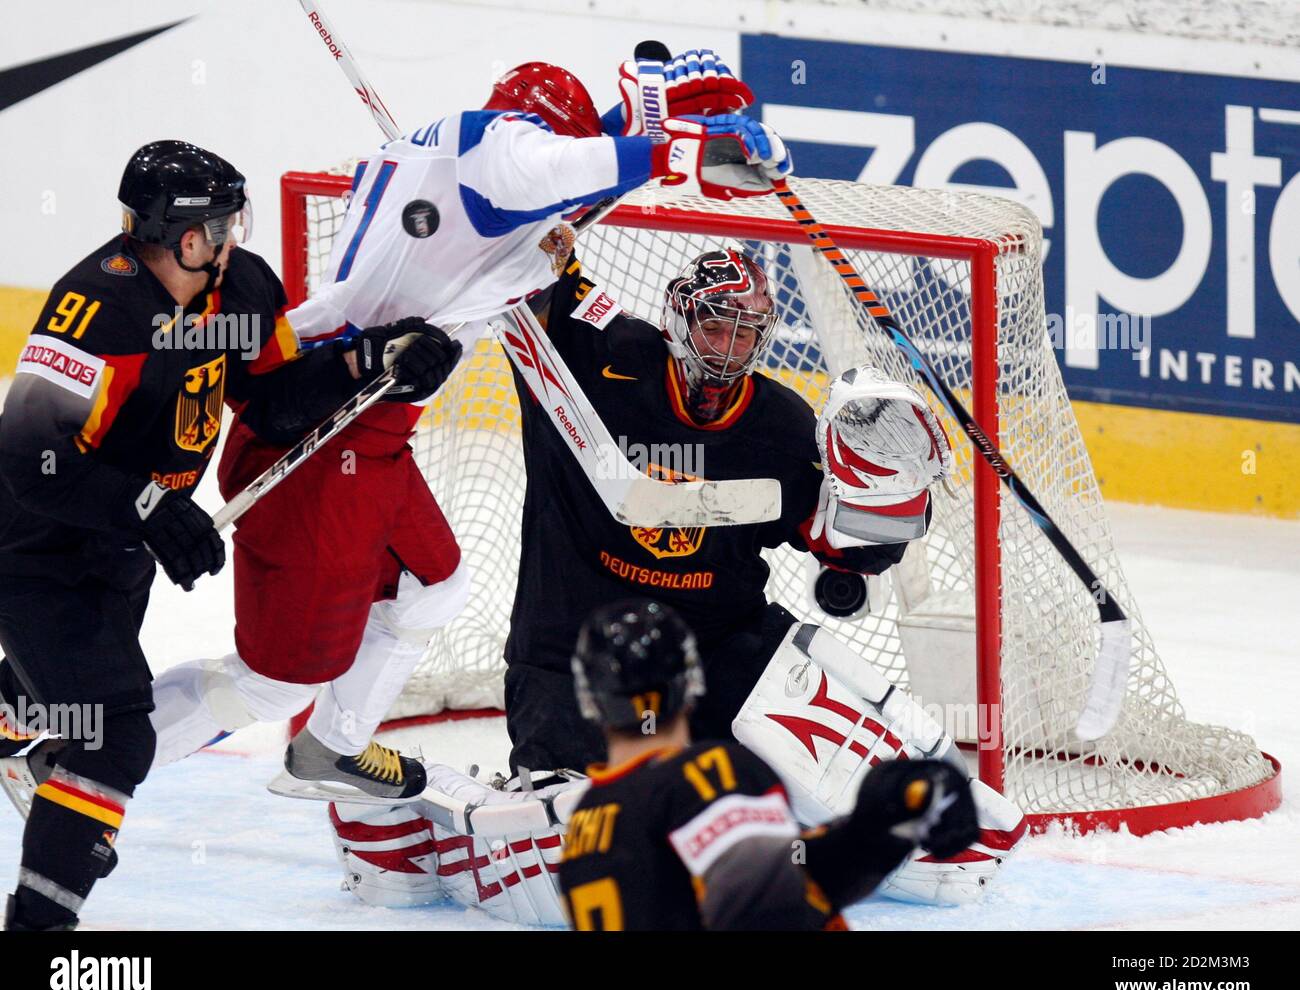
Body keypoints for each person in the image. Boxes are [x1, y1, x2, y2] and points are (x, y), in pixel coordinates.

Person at [144, 52, 793, 802]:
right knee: (271, 685)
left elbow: (568, 182)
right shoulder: (506, 154)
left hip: (373, 426)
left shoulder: (457, 157)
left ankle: (334, 745)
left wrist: (641, 131)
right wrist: (685, 151)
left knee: (436, 581)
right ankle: (86, 754)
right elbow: (558, 166)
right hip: (325, 433)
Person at [331, 248, 1027, 914]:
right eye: (716, 323)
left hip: (720, 652)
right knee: (574, 860)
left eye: (747, 329)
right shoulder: (594, 354)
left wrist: (886, 506)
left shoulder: (782, 424)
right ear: (678, 318)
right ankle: (406, 811)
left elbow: (839, 558)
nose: (729, 345)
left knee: (942, 852)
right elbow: (529, 262)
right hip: (573, 656)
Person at [0, 139, 450, 929]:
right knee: (112, 740)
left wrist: (368, 366)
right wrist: (146, 504)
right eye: (221, 222)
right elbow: (26, 456)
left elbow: (272, 400)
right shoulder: (94, 309)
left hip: (120, 548)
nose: (234, 235)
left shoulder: (238, 288)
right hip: (38, 549)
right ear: (183, 235)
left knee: (58, 697)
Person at [558, 600, 979, 930]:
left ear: (589, 702)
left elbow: (772, 882)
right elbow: (771, 910)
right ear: (691, 684)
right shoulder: (707, 774)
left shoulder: (582, 827)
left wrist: (873, 834)